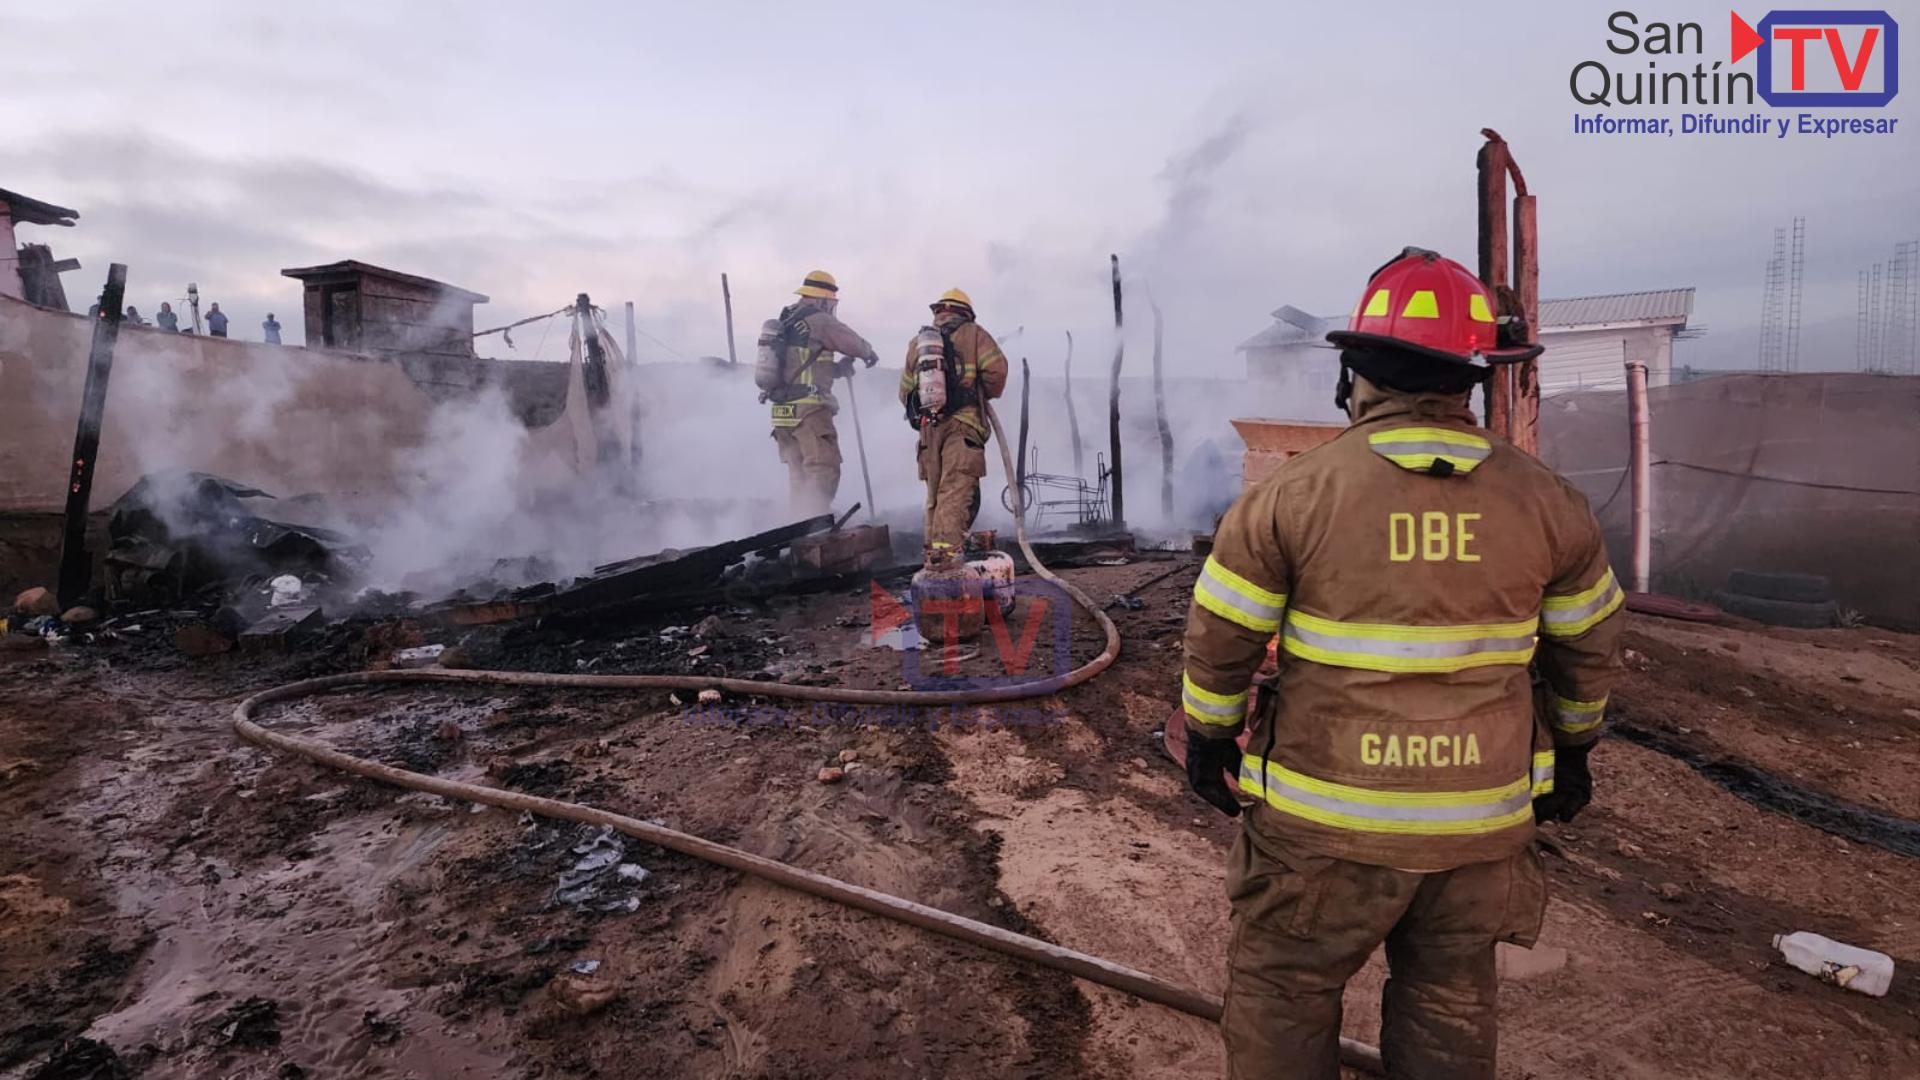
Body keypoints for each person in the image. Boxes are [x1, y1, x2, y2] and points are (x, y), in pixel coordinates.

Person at [1180, 248, 1625, 1079]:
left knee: (1283, 993)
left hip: (1322, 833)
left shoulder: (1291, 496)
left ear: (1352, 375)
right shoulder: (1550, 502)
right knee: (1449, 1003)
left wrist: (1209, 740)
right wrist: (1573, 753)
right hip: (1479, 832)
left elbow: (1220, 641)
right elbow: (1588, 650)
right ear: (1470, 378)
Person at [897, 288, 1008, 562]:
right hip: (963, 426)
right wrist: (977, 392)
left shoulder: (917, 344)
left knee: (934, 499)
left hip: (928, 431)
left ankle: (932, 561)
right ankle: (946, 566)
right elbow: (997, 372)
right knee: (954, 494)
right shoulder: (974, 333)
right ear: (965, 312)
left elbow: (904, 394)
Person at [763, 270, 879, 517]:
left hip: (784, 412)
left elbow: (801, 366)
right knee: (823, 467)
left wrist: (837, 369)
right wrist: (868, 352)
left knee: (799, 473)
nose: (831, 308)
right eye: (831, 302)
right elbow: (849, 341)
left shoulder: (788, 319)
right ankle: (814, 522)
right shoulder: (818, 319)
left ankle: (800, 523)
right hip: (809, 410)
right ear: (823, 299)